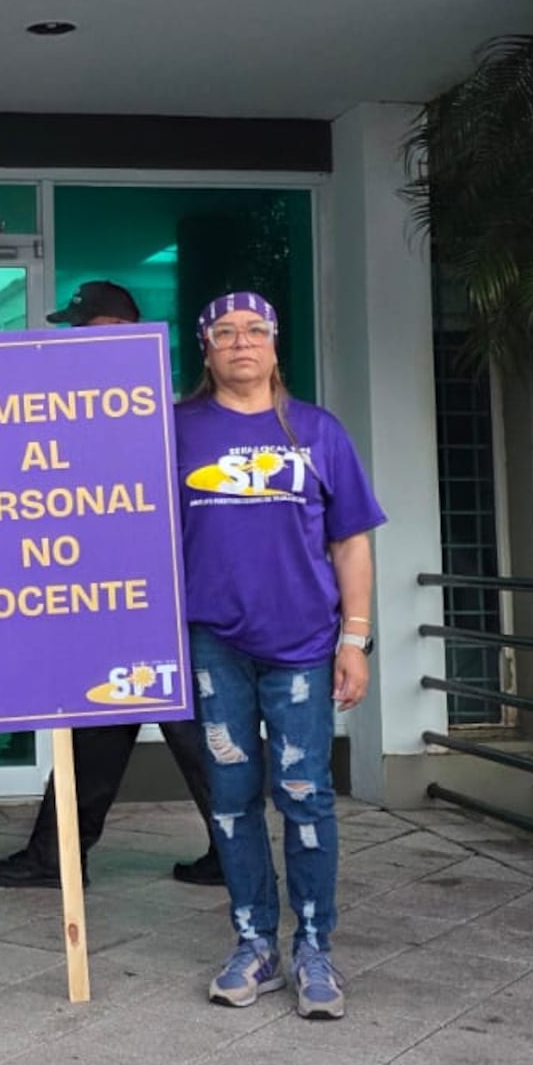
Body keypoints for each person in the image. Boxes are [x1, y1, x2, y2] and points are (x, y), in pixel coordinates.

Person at [0, 280, 224, 890]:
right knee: (99, 733)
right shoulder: (84, 407)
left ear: (112, 328)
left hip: (166, 603)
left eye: (80, 328)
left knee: (187, 737)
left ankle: (230, 851)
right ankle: (56, 852)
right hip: (113, 603)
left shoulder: (163, 413)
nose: (72, 340)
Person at [181, 292, 382, 1020]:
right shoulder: (175, 431)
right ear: (206, 349)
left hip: (303, 643)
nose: (241, 343)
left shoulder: (318, 432)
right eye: (225, 332)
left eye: (255, 330)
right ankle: (253, 943)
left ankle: (315, 948)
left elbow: (351, 540)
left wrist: (354, 638)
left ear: (274, 345)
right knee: (231, 800)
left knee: (305, 797)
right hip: (213, 643)